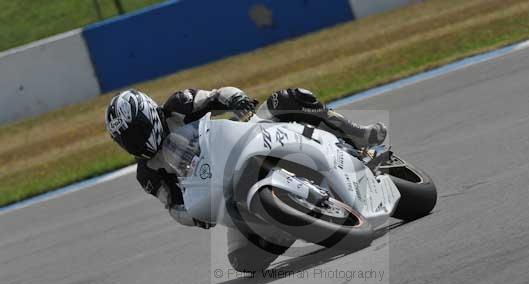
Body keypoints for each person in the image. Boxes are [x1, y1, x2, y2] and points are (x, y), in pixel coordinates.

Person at [105, 87, 387, 271]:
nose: (136, 140)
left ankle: (355, 135)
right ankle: (292, 219)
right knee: (244, 261)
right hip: (229, 194)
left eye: (137, 130)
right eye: (127, 138)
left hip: (247, 141)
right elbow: (174, 206)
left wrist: (235, 100)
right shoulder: (148, 173)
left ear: (149, 115)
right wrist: (195, 216)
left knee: (287, 98)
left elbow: (216, 95)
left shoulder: (180, 105)